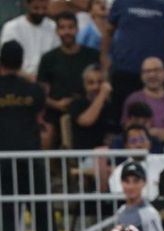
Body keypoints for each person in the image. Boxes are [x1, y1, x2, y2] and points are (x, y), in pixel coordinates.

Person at [0, 40, 49, 231]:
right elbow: (40, 116)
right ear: (21, 62)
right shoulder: (34, 90)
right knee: (40, 208)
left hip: (4, 158)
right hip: (31, 156)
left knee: (9, 209)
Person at [100, 0, 164, 122]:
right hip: (124, 70)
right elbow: (108, 32)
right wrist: (104, 57)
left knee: (158, 117)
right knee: (123, 118)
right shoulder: (120, 3)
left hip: (156, 73)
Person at [37, 11, 99, 145]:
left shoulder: (92, 55)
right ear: (57, 31)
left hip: (86, 110)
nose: (67, 32)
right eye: (63, 28)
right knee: (46, 136)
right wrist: (57, 104)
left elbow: (99, 85)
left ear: (77, 29)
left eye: (70, 27)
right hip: (55, 112)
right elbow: (41, 93)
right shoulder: (48, 59)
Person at [122, 57, 164, 152]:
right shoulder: (133, 99)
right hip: (145, 150)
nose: (152, 75)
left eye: (156, 70)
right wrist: (151, 133)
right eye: (147, 71)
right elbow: (128, 130)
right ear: (141, 75)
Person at [109, 124, 164, 200]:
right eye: (133, 141)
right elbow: (121, 200)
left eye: (142, 139)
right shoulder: (119, 171)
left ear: (149, 143)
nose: (139, 144)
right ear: (126, 146)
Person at [0, 0, 58, 77]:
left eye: (44, 8)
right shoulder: (11, 27)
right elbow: (6, 63)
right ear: (27, 5)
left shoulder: (53, 27)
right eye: (36, 8)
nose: (40, 12)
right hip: (17, 80)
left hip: (46, 79)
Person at [115, 161, 164, 231]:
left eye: (136, 181)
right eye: (127, 181)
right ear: (121, 183)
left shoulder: (149, 214)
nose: (131, 186)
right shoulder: (120, 211)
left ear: (144, 183)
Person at [69, 64, 114, 149]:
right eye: (91, 83)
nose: (95, 87)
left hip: (110, 153)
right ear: (84, 85)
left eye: (100, 82)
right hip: (86, 154)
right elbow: (87, 121)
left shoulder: (110, 105)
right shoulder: (77, 103)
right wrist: (103, 94)